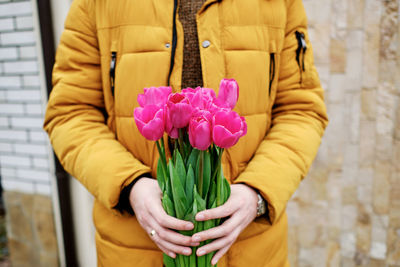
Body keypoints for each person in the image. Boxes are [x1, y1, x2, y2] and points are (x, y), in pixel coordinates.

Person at [44, 0, 328, 266]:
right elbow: (70, 113)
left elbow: (301, 110)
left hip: (251, 249)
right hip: (133, 248)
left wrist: (258, 192)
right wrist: (130, 186)